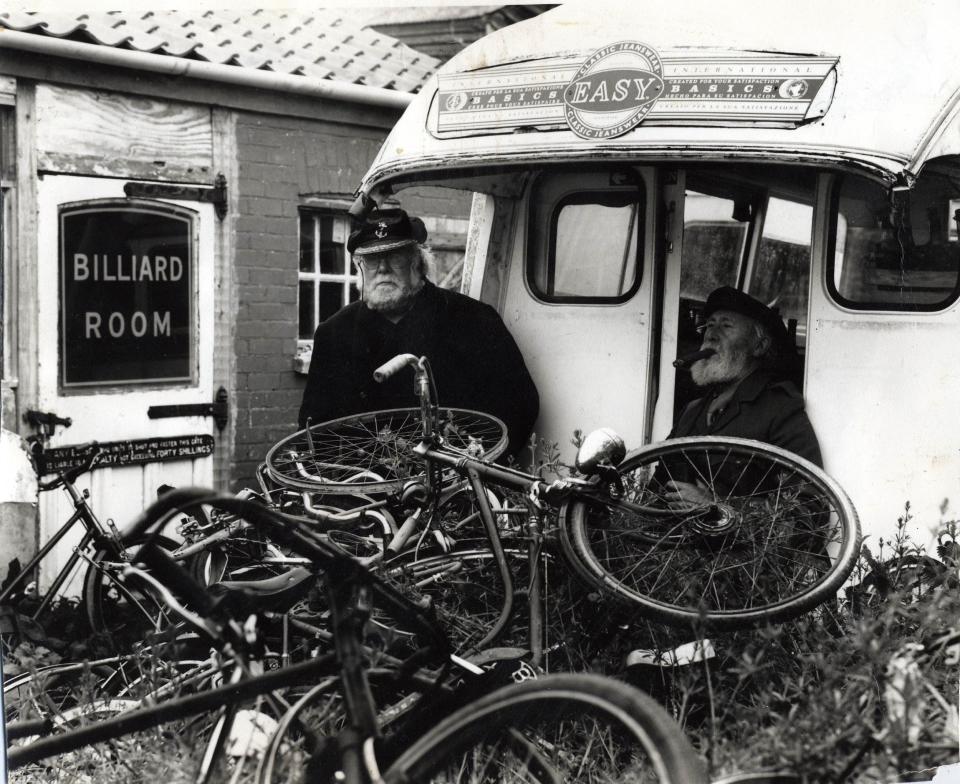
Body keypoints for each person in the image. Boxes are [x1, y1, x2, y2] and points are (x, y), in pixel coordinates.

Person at [298, 208, 539, 459]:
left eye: (395, 257)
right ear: (360, 267)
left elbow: (519, 405)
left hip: (455, 484)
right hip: (366, 489)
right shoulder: (334, 335)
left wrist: (477, 464)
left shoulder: (475, 320)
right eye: (371, 259)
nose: (382, 268)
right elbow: (314, 432)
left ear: (417, 262)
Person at [662, 286, 822, 508]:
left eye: (726, 326)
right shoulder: (692, 412)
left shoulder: (779, 410)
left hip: (738, 543)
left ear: (759, 346)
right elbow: (658, 490)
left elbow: (809, 509)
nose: (711, 334)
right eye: (709, 325)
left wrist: (719, 507)